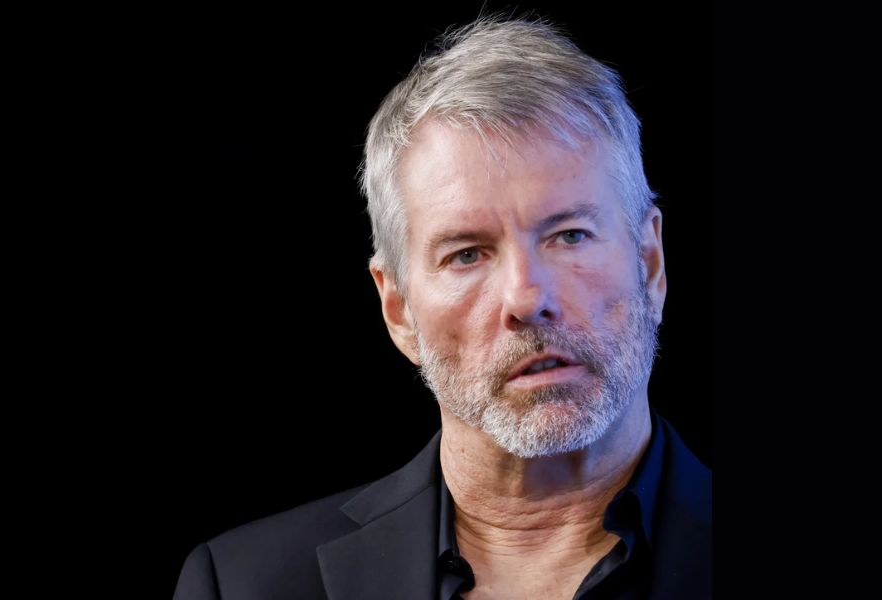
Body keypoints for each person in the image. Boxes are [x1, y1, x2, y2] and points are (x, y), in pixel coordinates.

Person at [173, 16, 711, 600]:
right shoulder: (244, 585)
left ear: (650, 264)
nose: (527, 299)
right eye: (467, 254)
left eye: (570, 235)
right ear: (398, 309)